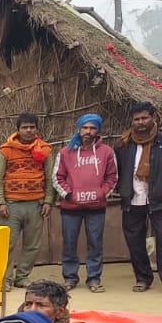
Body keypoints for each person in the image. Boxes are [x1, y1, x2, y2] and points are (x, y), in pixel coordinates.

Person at [116, 100, 162, 295]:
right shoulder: (124, 143)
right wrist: (122, 188)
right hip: (132, 199)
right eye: (136, 119)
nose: (140, 122)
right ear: (132, 121)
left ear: (153, 117)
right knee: (135, 241)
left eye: (144, 118)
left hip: (159, 199)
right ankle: (143, 278)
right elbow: (118, 169)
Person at [52, 113, 117, 293]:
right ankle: (70, 278)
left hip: (96, 207)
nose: (88, 131)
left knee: (95, 243)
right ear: (79, 129)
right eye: (85, 127)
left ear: (98, 130)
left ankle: (94, 278)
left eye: (92, 128)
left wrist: (101, 194)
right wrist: (68, 194)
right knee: (69, 243)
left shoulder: (106, 152)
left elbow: (112, 177)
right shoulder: (66, 152)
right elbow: (57, 177)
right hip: (71, 207)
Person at [0, 114, 55, 291]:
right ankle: (6, 279)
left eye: (32, 127)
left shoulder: (44, 150)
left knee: (32, 244)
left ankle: (22, 277)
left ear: (37, 129)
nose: (28, 130)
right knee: (7, 244)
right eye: (25, 127)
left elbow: (49, 177)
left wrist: (48, 201)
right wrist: (0, 202)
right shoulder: (5, 150)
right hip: (11, 205)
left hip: (36, 204)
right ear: (18, 130)